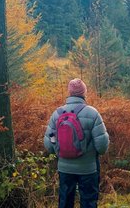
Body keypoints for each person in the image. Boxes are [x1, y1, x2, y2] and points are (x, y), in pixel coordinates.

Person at [44, 78, 109, 208]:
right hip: (88, 169)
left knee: (65, 202)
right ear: (84, 93)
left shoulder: (57, 114)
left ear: (69, 92)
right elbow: (102, 147)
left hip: (64, 168)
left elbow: (49, 146)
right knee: (88, 202)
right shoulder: (92, 113)